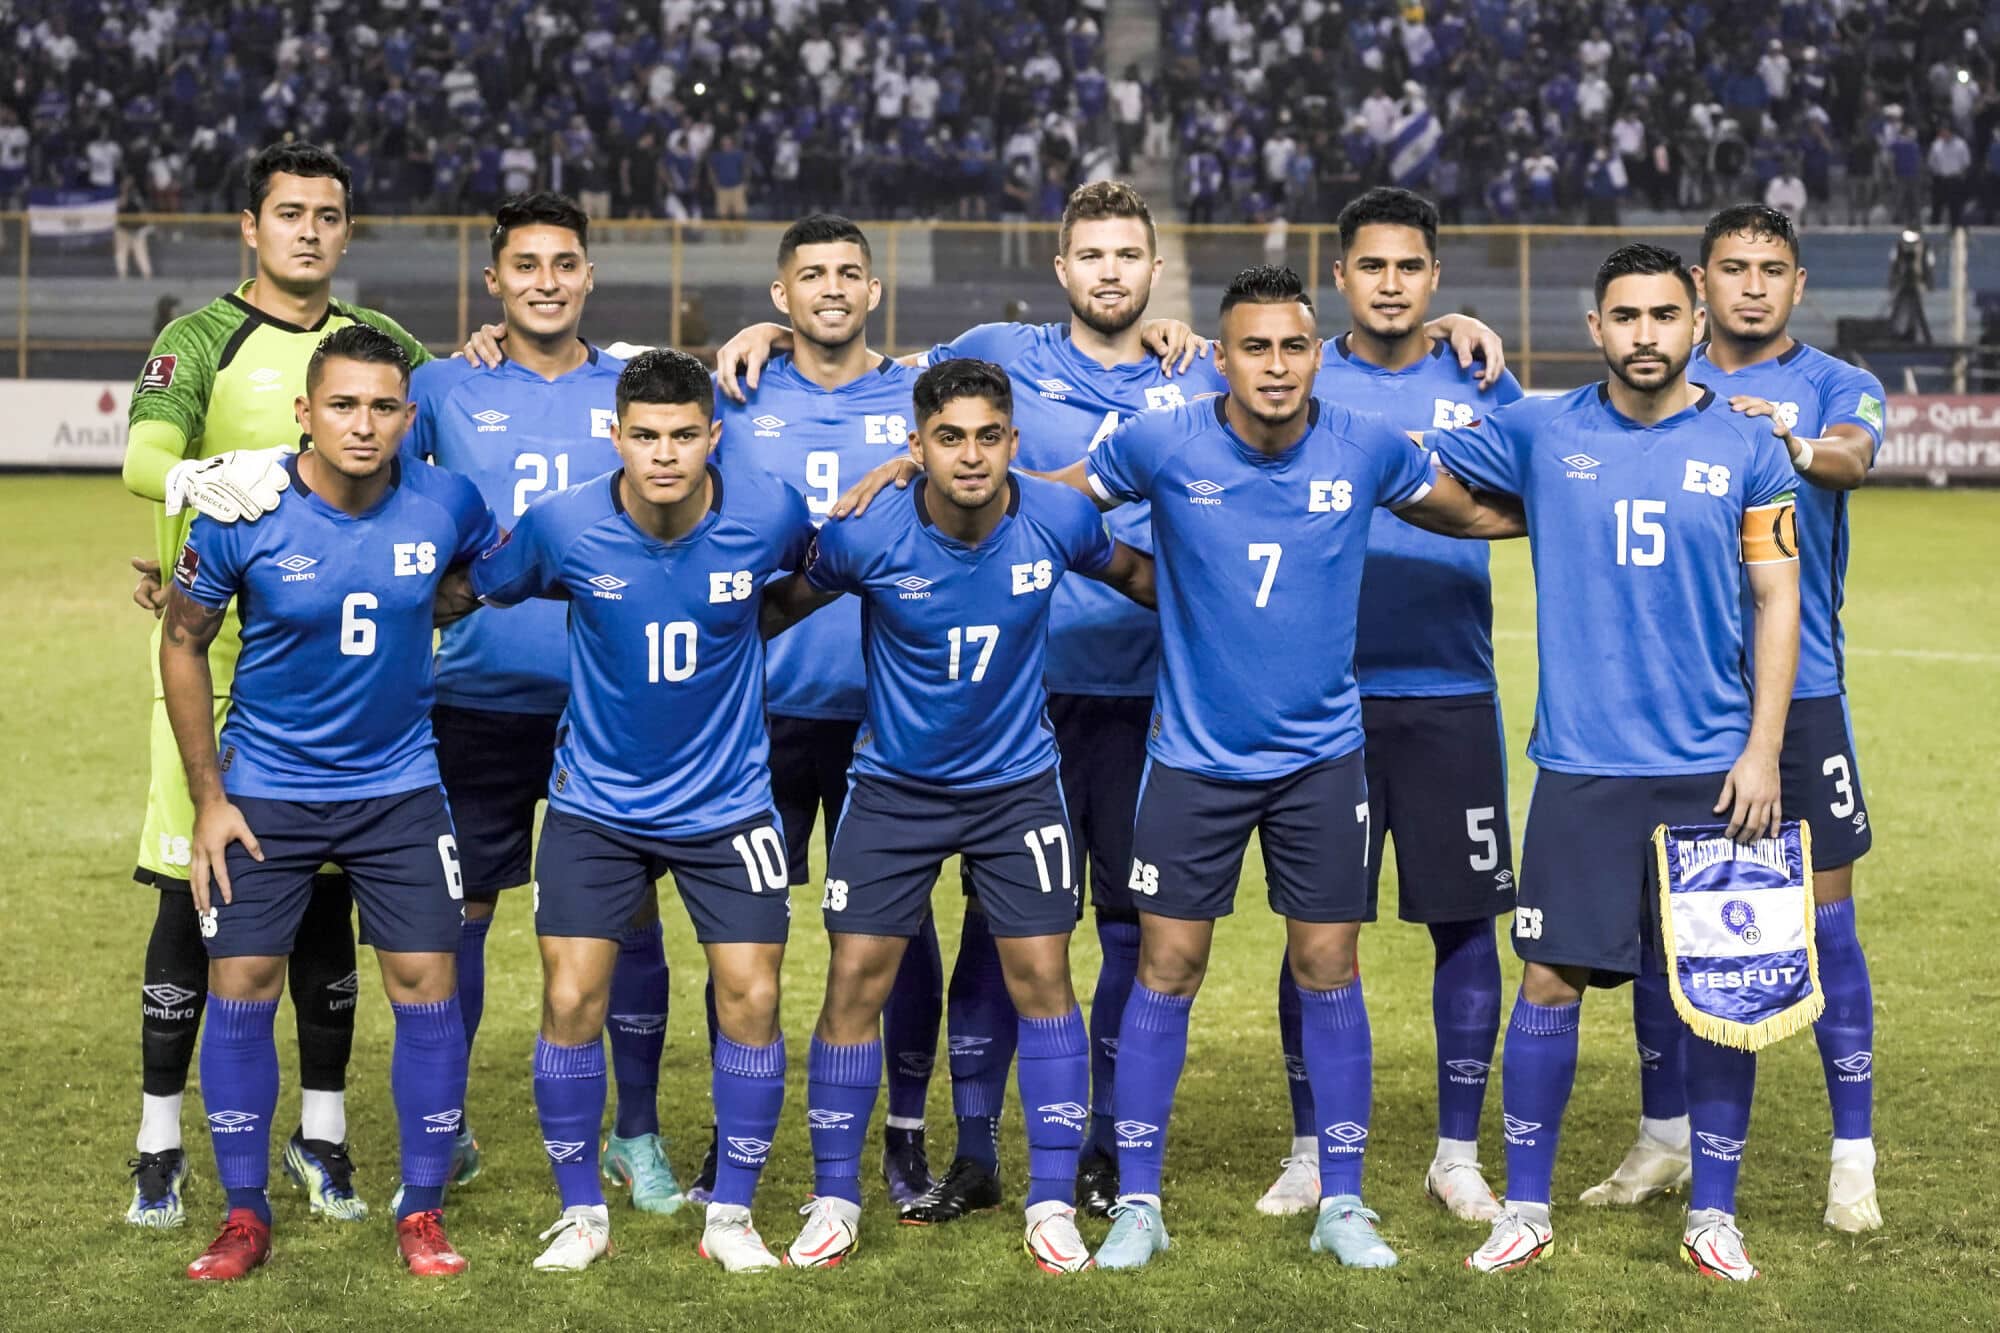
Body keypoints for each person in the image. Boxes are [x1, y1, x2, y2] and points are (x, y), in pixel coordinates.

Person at [716, 181, 1506, 1223]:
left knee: (1135, 934)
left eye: (1127, 254)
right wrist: (784, 340)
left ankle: (1101, 1150)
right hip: (1031, 695)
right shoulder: (1002, 350)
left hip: (1160, 697)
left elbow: (1355, 385)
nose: (1109, 271)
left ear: (1154, 272)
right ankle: (974, 1149)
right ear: (1062, 266)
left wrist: (1446, 326)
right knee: (1003, 930)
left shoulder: (1197, 369)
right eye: (1090, 253)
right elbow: (893, 371)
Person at [954, 264, 1524, 1271]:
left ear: (1317, 355)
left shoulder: (1364, 446)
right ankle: (1138, 1203)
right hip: (1192, 760)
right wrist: (927, 480)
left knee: (1328, 967)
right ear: (1220, 358)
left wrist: (1584, 505)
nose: (1275, 365)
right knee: (1167, 968)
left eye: (1293, 345)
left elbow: (1474, 513)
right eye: (1254, 347)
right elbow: (1048, 501)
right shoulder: (1161, 440)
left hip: (1321, 762)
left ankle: (1342, 1201)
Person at [1434, 243, 1802, 1280]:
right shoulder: (1540, 429)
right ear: (1594, 327)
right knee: (1548, 978)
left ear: (1696, 325)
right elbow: (1419, 469)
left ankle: (1712, 1214)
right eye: (1625, 317)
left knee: (1724, 995)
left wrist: (1763, 749)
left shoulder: (1747, 446)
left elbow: (1776, 596)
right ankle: (1526, 1208)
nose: (1645, 335)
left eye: (1663, 315)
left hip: (1711, 769)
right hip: (1582, 768)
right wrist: (1432, 335)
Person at [760, 358, 1155, 1273]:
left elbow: (1144, 577)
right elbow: (772, 610)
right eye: (948, 438)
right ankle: (834, 1198)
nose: (970, 455)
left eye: (987, 437)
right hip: (894, 789)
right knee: (854, 982)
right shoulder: (867, 533)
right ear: (917, 447)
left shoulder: (1059, 518)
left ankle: (1050, 1201)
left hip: (1017, 788)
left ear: (1013, 442)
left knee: (1043, 982)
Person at [120, 142, 431, 1230]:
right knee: (192, 888)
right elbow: (143, 459)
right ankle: (160, 1142)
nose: (309, 230)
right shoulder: (199, 337)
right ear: (250, 228)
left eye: (327, 214)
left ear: (346, 230)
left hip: (338, 673)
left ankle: (323, 1132)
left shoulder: (379, 344)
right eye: (288, 212)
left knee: (329, 893)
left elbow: (444, 419)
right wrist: (211, 479)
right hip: (212, 664)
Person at [447, 349, 812, 1273]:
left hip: (729, 803)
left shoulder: (768, 511)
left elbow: (833, 564)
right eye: (645, 435)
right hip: (597, 804)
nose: (664, 454)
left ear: (713, 436)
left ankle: (731, 1215)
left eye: (684, 435)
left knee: (753, 996)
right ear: (615, 436)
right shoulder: (563, 523)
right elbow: (467, 588)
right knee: (570, 996)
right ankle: (582, 1213)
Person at [161, 324, 496, 1280]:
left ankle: (422, 1208)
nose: (363, 424)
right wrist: (210, 799)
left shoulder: (447, 501)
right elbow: (182, 642)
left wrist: (433, 599)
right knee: (242, 984)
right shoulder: (245, 507)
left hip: (400, 789)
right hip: (267, 789)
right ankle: (242, 1213)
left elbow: (487, 571)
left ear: (408, 416)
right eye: (342, 404)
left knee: (426, 982)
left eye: (383, 406)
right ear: (304, 412)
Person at [1583, 205, 1888, 1234]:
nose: (1751, 285)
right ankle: (1664, 1136)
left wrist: (1791, 440)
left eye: (1771, 268)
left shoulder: (1836, 383)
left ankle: (1852, 1157)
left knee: (1827, 924)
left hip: (1801, 701)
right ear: (1699, 284)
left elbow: (1850, 456)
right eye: (1731, 267)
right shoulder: (1662, 379)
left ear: (1799, 284)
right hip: (1679, 706)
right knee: (1665, 932)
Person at [403, 193, 677, 1209]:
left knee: (629, 915)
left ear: (590, 276)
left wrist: (766, 330)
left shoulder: (633, 387)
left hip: (612, 703)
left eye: (565, 263)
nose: (547, 281)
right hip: (474, 697)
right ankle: (448, 1128)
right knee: (462, 913)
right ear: (493, 282)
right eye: (526, 265)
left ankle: (635, 1134)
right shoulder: (442, 386)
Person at [1258, 187, 1522, 1224]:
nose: (1391, 283)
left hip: (1450, 694)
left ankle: (1456, 1153)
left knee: (1465, 926)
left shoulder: (1478, 379)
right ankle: (1307, 1148)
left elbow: (1537, 489)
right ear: (1339, 277)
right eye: (1371, 265)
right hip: (1320, 705)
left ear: (1434, 276)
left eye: (1409, 266)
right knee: (1316, 932)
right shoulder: (1298, 372)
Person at [707, 214, 938, 1207]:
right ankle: (732, 1137)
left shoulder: (921, 394)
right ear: (780, 295)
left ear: (875, 291)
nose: (832, 289)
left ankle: (905, 1134)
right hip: (759, 711)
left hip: (894, 713)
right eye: (811, 275)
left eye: (849, 273)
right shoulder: (737, 393)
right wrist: (746, 345)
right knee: (741, 934)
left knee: (896, 934)